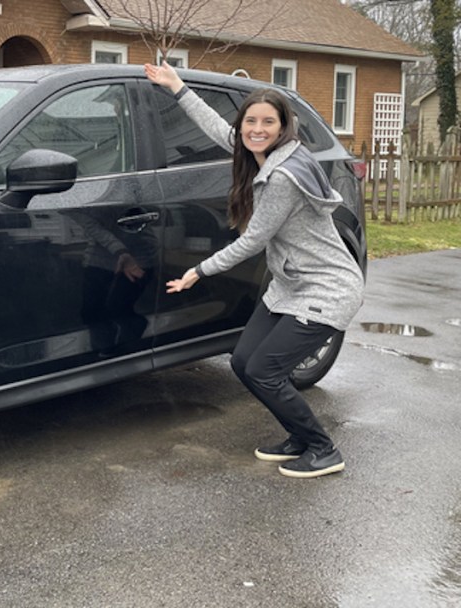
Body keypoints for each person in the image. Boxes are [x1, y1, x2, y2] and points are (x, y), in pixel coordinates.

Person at [143, 61, 364, 479]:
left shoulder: (282, 176)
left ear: (284, 127)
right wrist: (177, 86)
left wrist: (198, 272)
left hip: (326, 289)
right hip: (291, 284)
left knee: (265, 371)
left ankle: (322, 448)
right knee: (245, 361)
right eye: (250, 121)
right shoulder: (265, 152)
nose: (256, 129)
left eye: (268, 122)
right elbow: (219, 131)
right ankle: (298, 437)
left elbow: (253, 241)